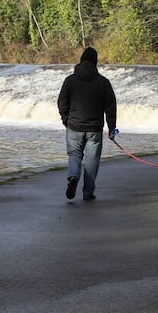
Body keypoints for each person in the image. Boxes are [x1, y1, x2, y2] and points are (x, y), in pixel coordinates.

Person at [57, 47, 117, 201]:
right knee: (92, 161)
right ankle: (88, 193)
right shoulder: (103, 83)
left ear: (81, 60)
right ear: (95, 62)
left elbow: (62, 101)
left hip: (74, 127)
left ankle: (73, 176)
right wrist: (111, 128)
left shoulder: (70, 80)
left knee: (74, 155)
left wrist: (66, 119)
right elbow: (111, 106)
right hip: (94, 129)